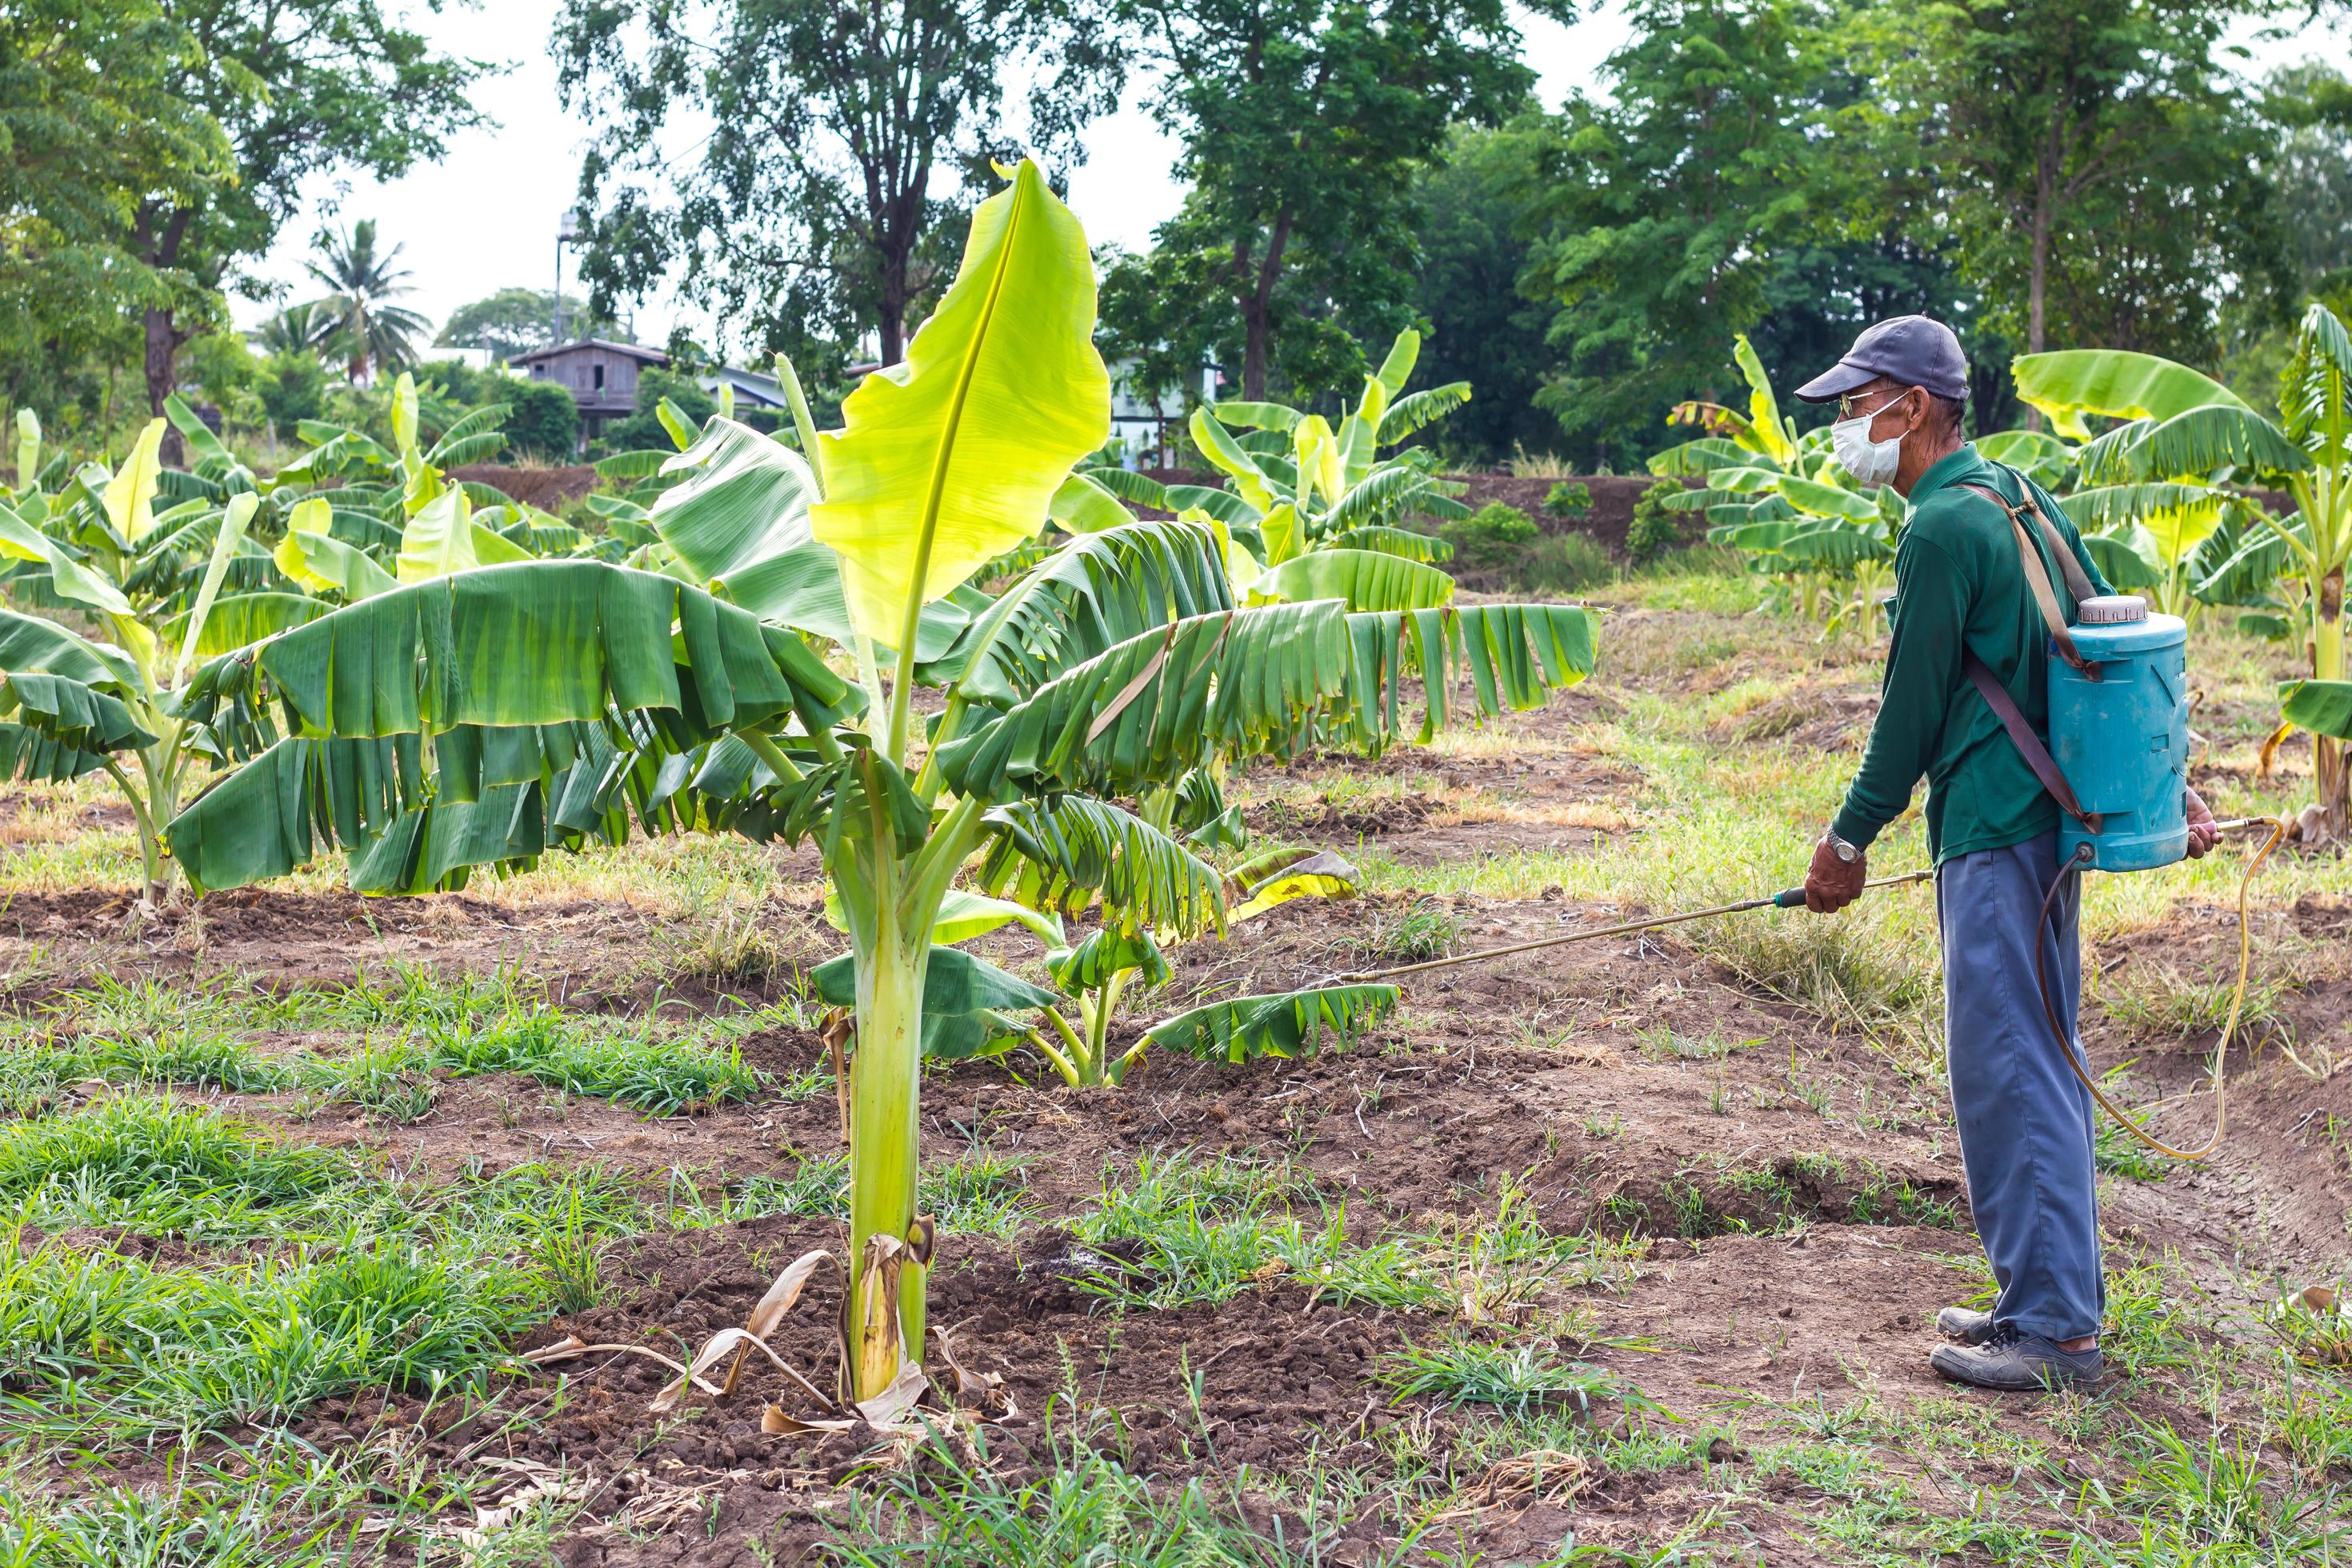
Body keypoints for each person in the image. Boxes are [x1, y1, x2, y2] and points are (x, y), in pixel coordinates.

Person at [1792, 316, 2219, 1392]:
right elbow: (2100, 629)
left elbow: (1911, 713)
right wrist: (2164, 777)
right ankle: (2040, 1298)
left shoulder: (1941, 527)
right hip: (2051, 821)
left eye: (1859, 406)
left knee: (2010, 1069)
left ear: (1916, 409)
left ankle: (2061, 1336)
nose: (1849, 428)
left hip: (1996, 824)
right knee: (2038, 1055)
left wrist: (1847, 842)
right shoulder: (2016, 493)